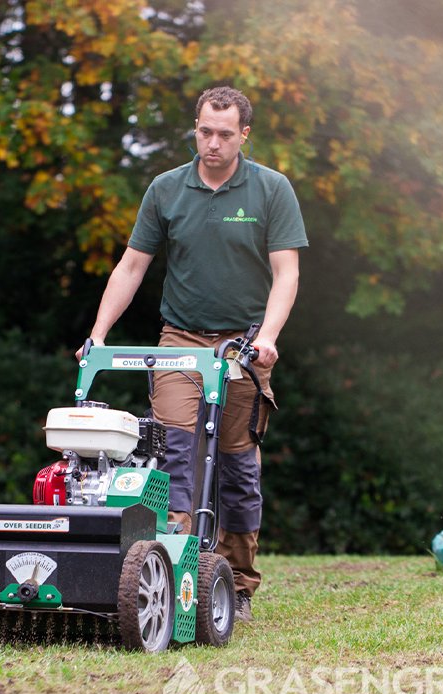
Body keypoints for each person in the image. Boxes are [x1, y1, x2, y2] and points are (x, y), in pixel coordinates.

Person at [79, 86, 306, 623]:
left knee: (236, 470)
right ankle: (176, 568)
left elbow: (287, 273)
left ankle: (238, 582)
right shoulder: (166, 189)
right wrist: (99, 335)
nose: (213, 143)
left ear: (243, 134)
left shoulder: (271, 189)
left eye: (225, 134)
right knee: (176, 451)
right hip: (180, 341)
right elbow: (132, 265)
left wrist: (268, 337)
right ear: (195, 128)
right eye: (205, 131)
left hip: (242, 344)